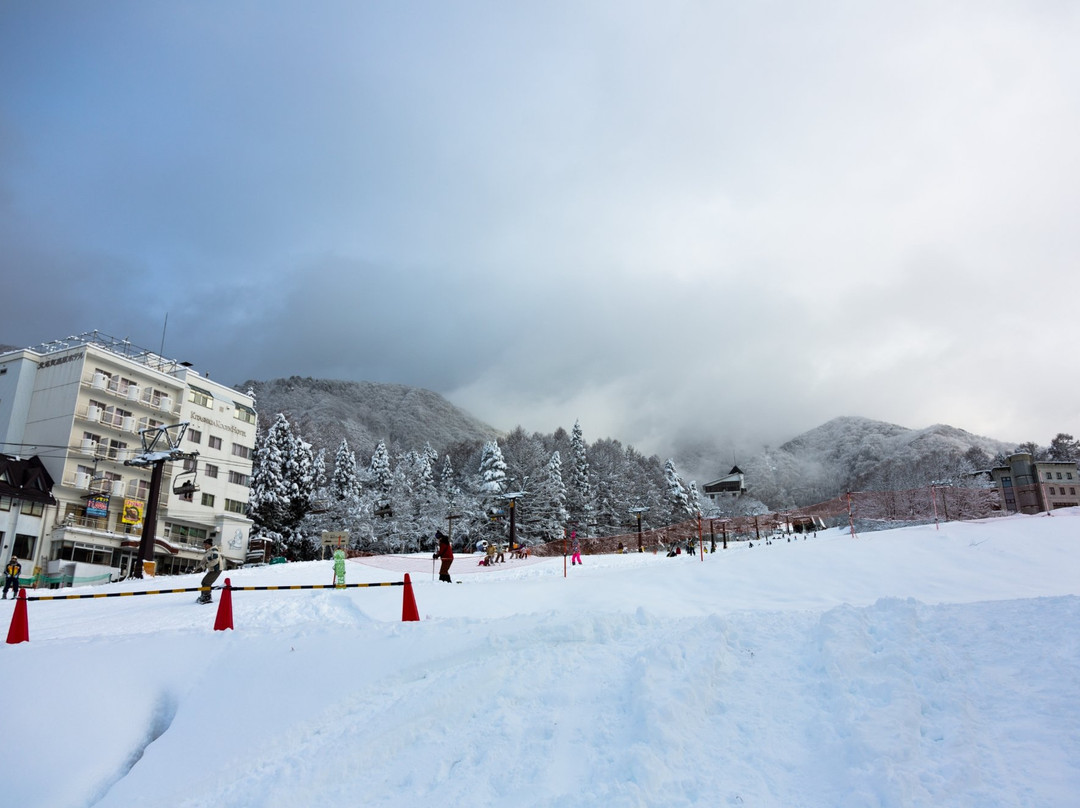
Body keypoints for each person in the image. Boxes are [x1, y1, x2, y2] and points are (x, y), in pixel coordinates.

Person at [198, 539, 224, 604]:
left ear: (209, 545)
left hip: (216, 569)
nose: (204, 546)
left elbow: (215, 561)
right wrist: (199, 567)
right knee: (203, 582)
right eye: (204, 544)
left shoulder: (214, 551)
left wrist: (206, 566)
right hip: (212, 570)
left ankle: (207, 597)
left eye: (205, 544)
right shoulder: (208, 552)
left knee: (207, 583)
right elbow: (203, 562)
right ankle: (203, 596)